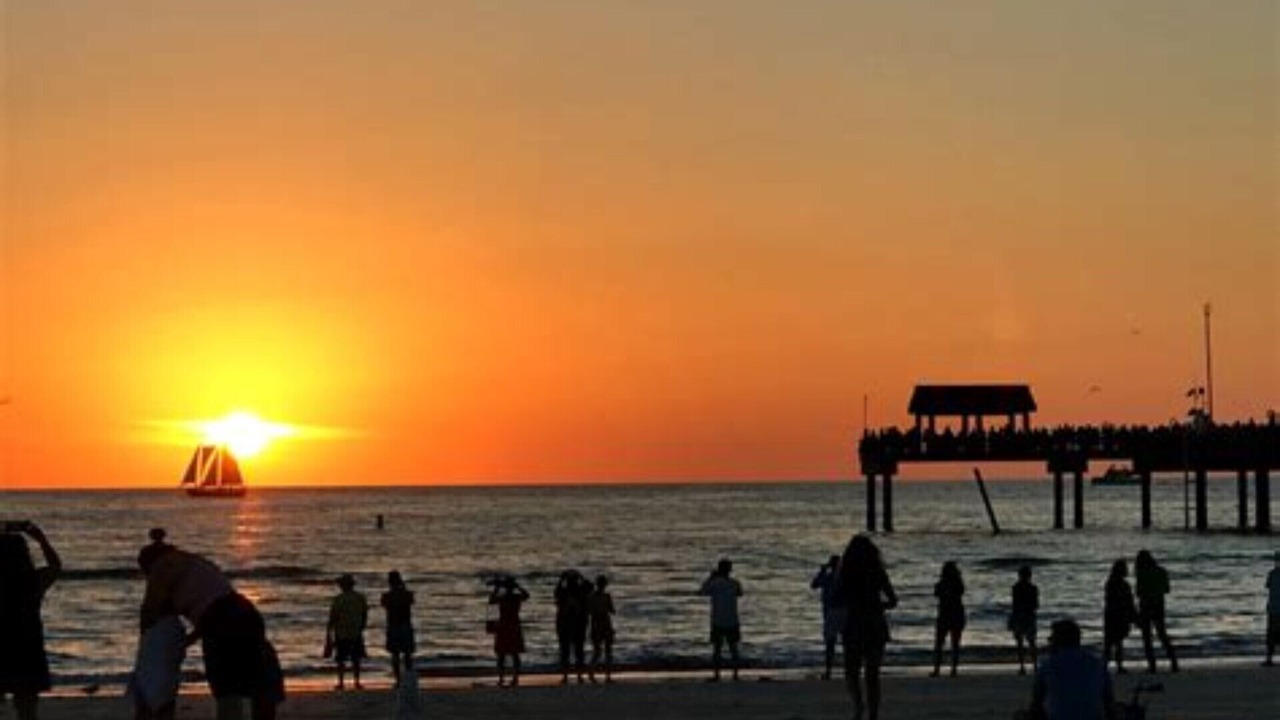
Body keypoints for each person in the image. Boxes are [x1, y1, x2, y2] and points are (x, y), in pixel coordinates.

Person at [139, 541, 283, 720]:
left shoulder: (162, 566)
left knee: (227, 687)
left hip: (221, 621)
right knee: (259, 677)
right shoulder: (196, 563)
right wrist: (186, 641)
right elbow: (208, 608)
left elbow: (149, 610)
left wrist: (146, 649)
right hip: (245, 612)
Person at [0, 522, 61, 720]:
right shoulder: (33, 580)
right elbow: (55, 566)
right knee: (27, 709)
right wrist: (40, 538)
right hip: (28, 645)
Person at [834, 534, 898, 720]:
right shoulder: (877, 571)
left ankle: (858, 705)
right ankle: (873, 713)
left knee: (852, 671)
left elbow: (836, 599)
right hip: (875, 624)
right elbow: (893, 600)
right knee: (872, 674)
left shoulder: (846, 572)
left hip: (854, 624)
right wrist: (879, 606)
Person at [1028, 619, 1117, 720]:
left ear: (1059, 640)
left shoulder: (1049, 664)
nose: (1050, 641)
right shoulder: (1096, 663)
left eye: (1052, 638)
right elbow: (1108, 700)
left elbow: (1037, 699)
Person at [699, 558, 743, 682]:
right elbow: (740, 594)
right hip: (732, 619)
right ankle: (735, 675)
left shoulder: (714, 583)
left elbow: (702, 591)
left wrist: (710, 578)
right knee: (733, 648)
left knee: (717, 649)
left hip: (717, 620)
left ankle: (717, 674)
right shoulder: (735, 583)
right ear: (730, 570)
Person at [1133, 550, 1178, 673]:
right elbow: (1167, 589)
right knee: (1162, 635)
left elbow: (1138, 592)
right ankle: (1173, 661)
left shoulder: (1141, 573)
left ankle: (1152, 665)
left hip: (1146, 606)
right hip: (1159, 606)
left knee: (1147, 637)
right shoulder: (1161, 571)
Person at [326, 574, 368, 690]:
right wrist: (361, 626)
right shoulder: (360, 598)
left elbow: (333, 617)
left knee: (341, 660)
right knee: (356, 659)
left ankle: (341, 682)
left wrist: (329, 631)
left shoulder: (338, 599)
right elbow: (364, 614)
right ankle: (357, 682)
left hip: (341, 632)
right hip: (355, 632)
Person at [489, 576, 529, 687]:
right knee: (512, 654)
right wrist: (518, 587)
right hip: (512, 626)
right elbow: (526, 595)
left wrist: (497, 588)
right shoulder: (515, 597)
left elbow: (491, 600)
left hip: (505, 626)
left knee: (503, 654)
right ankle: (513, 678)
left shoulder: (504, 597)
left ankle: (504, 678)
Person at [811, 554, 845, 680]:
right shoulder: (839, 577)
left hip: (833, 613)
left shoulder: (831, 577)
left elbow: (814, 585)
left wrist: (822, 571)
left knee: (831, 644)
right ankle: (833, 670)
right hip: (838, 613)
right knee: (840, 643)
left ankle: (829, 670)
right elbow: (814, 585)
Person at [554, 570, 591, 684]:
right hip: (576, 624)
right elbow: (589, 587)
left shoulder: (565, 593)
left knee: (566, 650)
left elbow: (556, 592)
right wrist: (581, 577)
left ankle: (567, 676)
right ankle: (578, 676)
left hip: (566, 624)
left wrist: (561, 580)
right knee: (577, 650)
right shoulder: (580, 593)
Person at [381, 571, 416, 687]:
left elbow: (384, 605)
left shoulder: (387, 596)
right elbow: (411, 602)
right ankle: (408, 679)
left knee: (395, 655)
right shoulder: (407, 594)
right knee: (407, 655)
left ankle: (399, 680)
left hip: (393, 625)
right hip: (405, 625)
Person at [931, 561, 966, 677]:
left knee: (942, 643)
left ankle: (939, 669)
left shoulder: (944, 584)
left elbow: (936, 593)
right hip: (954, 614)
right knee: (953, 643)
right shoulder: (957, 583)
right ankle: (952, 669)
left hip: (946, 615)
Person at [1103, 559, 1136, 674]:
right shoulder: (1124, 585)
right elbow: (1129, 601)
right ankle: (1118, 666)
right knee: (1118, 643)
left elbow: (1108, 600)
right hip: (1120, 615)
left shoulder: (1109, 583)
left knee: (1109, 643)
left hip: (1110, 615)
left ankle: (1105, 665)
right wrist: (1133, 616)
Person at [1009, 565, 1039, 675]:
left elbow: (1014, 604)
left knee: (1020, 643)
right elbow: (1036, 605)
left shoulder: (1015, 588)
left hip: (1019, 616)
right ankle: (1035, 666)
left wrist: (1012, 618)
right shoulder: (1033, 588)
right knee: (1032, 642)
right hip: (1030, 616)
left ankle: (1022, 666)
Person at [587, 575, 616, 683]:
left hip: (602, 623)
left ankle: (604, 674)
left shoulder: (595, 596)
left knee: (603, 650)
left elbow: (611, 610)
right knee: (600, 651)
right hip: (600, 623)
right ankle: (598, 674)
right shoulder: (598, 596)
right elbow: (612, 610)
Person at [1266, 550, 1280, 667]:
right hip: (1273, 608)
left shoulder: (1272, 574)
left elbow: (1268, 586)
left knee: (1271, 634)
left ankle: (1269, 658)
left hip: (1273, 608)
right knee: (1271, 634)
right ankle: (1269, 658)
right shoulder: (1272, 574)